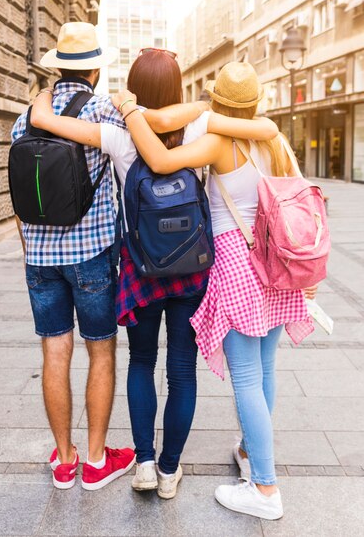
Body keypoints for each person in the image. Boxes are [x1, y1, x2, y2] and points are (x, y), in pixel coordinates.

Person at [30, 49, 279, 499]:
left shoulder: (118, 134)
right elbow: (263, 128)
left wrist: (44, 98)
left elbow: (51, 124)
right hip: (191, 267)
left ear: (135, 87)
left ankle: (144, 463)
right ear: (178, 90)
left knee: (141, 363)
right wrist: (204, 107)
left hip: (141, 268)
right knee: (182, 371)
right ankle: (168, 471)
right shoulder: (202, 127)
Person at [110, 62, 317, 520]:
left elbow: (161, 160)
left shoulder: (220, 138)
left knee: (245, 377)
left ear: (218, 100)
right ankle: (249, 451)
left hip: (239, 264)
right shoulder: (273, 138)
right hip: (276, 261)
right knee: (265, 369)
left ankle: (264, 488)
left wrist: (127, 109)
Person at [11, 21, 139, 491]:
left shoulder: (26, 117)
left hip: (40, 258)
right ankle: (96, 459)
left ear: (58, 67)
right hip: (92, 253)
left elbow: (21, 190)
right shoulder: (106, 111)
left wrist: (31, 251)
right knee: (101, 351)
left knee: (54, 351)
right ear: (97, 70)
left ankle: (64, 461)